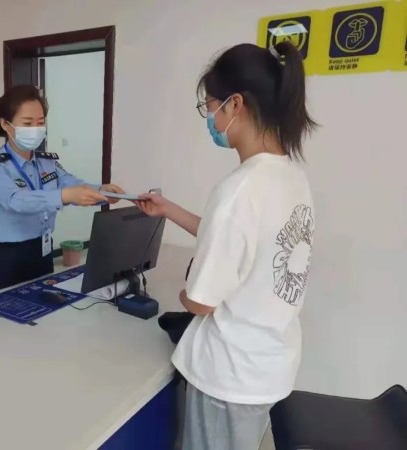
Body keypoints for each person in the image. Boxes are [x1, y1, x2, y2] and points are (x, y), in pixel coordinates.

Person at [136, 41, 317, 450]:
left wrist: (185, 293)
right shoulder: (291, 176)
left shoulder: (239, 189)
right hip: (268, 363)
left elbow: (201, 301)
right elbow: (243, 239)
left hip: (229, 377)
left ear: (235, 105)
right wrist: (168, 209)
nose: (210, 118)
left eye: (210, 106)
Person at [0, 85, 124, 294]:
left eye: (40, 122)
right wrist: (64, 196)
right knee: (5, 313)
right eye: (27, 123)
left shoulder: (46, 162)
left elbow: (69, 183)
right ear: (5, 124)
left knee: (44, 307)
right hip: (7, 258)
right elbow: (16, 201)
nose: (35, 129)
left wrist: (103, 191)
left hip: (41, 251)